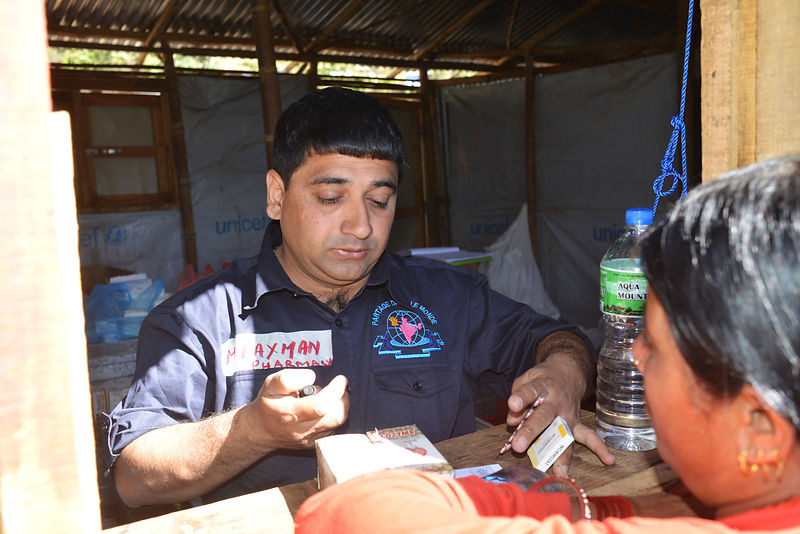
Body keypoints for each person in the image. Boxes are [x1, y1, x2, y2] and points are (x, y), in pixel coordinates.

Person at [103, 86, 613, 508]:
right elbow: (132, 474)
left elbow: (559, 339)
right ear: (277, 196)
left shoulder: (445, 298)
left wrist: (564, 377)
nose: (361, 226)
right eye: (331, 198)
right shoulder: (201, 320)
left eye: (380, 200)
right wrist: (251, 430)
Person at [294, 155, 800, 533]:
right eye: (331, 197)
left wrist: (578, 509)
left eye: (658, 346)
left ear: (760, 427)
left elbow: (347, 513)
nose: (634, 353)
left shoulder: (445, 293)